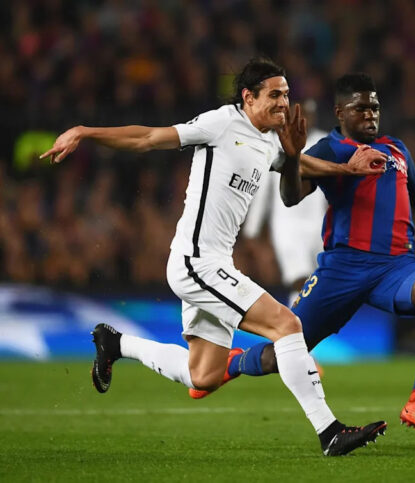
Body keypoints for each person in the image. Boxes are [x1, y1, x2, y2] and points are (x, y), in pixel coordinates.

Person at [39, 58, 390, 455]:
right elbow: (148, 138)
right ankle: (330, 432)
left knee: (203, 375)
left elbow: (301, 163)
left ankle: (116, 343)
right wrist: (85, 132)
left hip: (215, 263)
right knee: (287, 324)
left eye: (286, 94)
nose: (283, 103)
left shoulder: (268, 140)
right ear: (248, 97)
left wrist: (347, 169)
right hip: (196, 262)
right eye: (274, 95)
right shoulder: (222, 123)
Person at [195, 73, 415, 435]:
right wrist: (292, 157)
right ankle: (235, 363)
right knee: (284, 352)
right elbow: (290, 197)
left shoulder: (396, 149)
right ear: (340, 112)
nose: (371, 114)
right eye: (361, 108)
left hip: (395, 268)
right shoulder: (329, 150)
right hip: (342, 270)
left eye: (375, 107)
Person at [240, 98, 328, 307]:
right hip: (287, 226)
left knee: (320, 283)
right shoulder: (273, 143)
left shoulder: (325, 142)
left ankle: (309, 322)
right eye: (301, 113)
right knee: (299, 280)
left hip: (319, 224)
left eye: (309, 114)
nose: (305, 119)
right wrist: (252, 231)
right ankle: (298, 322)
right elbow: (262, 190)